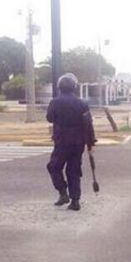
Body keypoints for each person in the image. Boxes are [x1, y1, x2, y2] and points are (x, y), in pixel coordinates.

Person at [46, 73, 97, 211]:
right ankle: (75, 201)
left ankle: (63, 192)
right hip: (78, 143)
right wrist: (90, 144)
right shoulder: (82, 103)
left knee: (53, 167)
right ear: (74, 87)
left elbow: (49, 118)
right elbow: (88, 125)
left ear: (59, 87)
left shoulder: (54, 102)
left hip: (62, 141)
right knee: (73, 170)